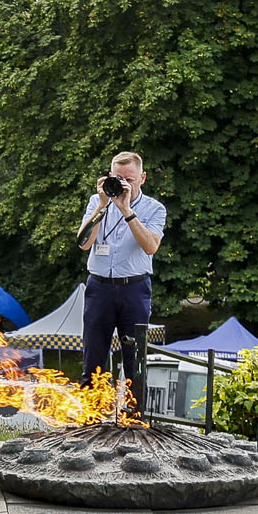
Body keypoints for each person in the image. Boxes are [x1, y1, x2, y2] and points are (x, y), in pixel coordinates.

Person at [76, 150, 167, 410]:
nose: (123, 183)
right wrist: (103, 205)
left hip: (134, 288)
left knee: (135, 357)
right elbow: (83, 243)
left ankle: (136, 413)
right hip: (99, 287)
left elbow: (150, 246)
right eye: (117, 177)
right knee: (93, 355)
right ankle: (90, 414)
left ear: (143, 178)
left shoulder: (154, 208)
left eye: (130, 178)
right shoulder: (97, 201)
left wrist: (126, 210)